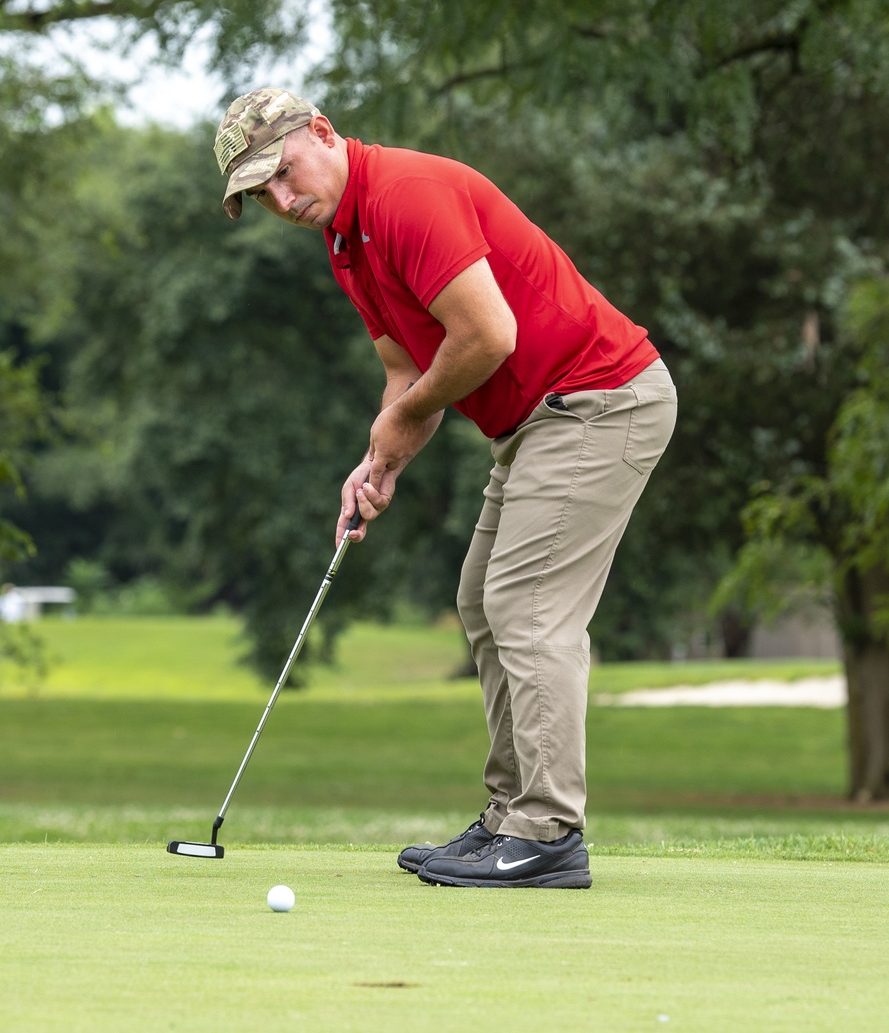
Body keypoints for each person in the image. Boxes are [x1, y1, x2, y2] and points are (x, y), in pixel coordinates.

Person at [214, 88, 677, 888]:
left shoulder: (403, 196)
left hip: (599, 400)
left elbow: (488, 337)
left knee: (526, 603)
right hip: (540, 420)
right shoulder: (346, 243)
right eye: (263, 194)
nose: (283, 201)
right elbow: (407, 373)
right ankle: (509, 817)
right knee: (483, 601)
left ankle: (547, 831)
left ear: (323, 133)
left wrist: (400, 423)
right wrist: (381, 460)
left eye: (284, 173)